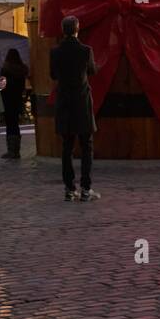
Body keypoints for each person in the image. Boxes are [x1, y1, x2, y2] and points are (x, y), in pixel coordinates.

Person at [49, 15, 98, 201]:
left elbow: (53, 75)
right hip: (82, 102)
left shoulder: (55, 52)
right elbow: (92, 70)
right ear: (78, 29)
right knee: (87, 146)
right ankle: (86, 189)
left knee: (67, 147)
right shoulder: (86, 50)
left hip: (64, 103)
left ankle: (69, 189)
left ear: (63, 30)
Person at [0, 48, 28, 160]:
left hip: (7, 100)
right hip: (18, 99)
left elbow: (1, 86)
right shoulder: (22, 70)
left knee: (10, 124)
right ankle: (17, 150)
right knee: (15, 124)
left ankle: (11, 151)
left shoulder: (5, 69)